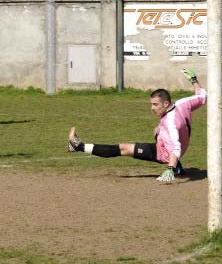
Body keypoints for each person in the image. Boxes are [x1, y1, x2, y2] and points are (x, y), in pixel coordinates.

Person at [67, 69, 207, 183]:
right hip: (182, 142)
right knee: (157, 130)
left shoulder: (170, 123)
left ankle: (78, 146)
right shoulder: (183, 103)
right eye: (151, 104)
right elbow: (202, 97)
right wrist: (194, 80)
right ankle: (177, 167)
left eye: (155, 104)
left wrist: (170, 168)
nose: (152, 108)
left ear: (166, 104)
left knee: (123, 148)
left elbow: (176, 147)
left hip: (164, 153)